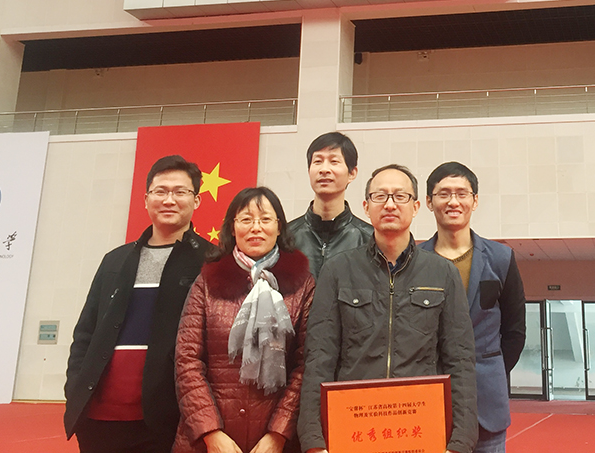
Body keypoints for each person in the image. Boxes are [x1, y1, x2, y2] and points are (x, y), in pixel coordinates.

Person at [298, 164, 478, 453]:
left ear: (416, 206)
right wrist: (313, 440)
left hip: (420, 428)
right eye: (380, 196)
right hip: (354, 426)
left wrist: (460, 442)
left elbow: (460, 360)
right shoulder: (338, 270)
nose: (390, 205)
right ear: (366, 206)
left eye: (400, 196)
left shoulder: (442, 273)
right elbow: (319, 356)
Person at [64, 155, 216, 453]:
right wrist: (74, 387)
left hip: (166, 421)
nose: (169, 200)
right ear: (146, 200)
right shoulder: (114, 261)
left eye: (180, 192)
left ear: (196, 200)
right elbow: (85, 333)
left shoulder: (212, 262)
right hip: (98, 421)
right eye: (160, 191)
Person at [173, 186, 315, 453]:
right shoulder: (207, 281)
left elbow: (306, 363)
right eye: (246, 219)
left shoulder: (302, 284)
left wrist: (278, 434)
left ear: (279, 227)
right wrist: (210, 432)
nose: (255, 228)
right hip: (209, 442)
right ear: (232, 227)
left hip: (275, 442)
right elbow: (187, 360)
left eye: (265, 219)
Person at [419, 162, 526, 453]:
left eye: (461, 193)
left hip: (487, 402)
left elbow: (515, 332)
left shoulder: (501, 258)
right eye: (443, 194)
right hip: (430, 398)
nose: (453, 201)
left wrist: (491, 371)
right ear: (429, 201)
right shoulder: (415, 261)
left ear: (474, 200)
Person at [288, 132, 372, 278]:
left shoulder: (369, 240)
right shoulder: (286, 237)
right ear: (309, 171)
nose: (324, 170)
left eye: (334, 161)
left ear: (352, 173)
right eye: (318, 161)